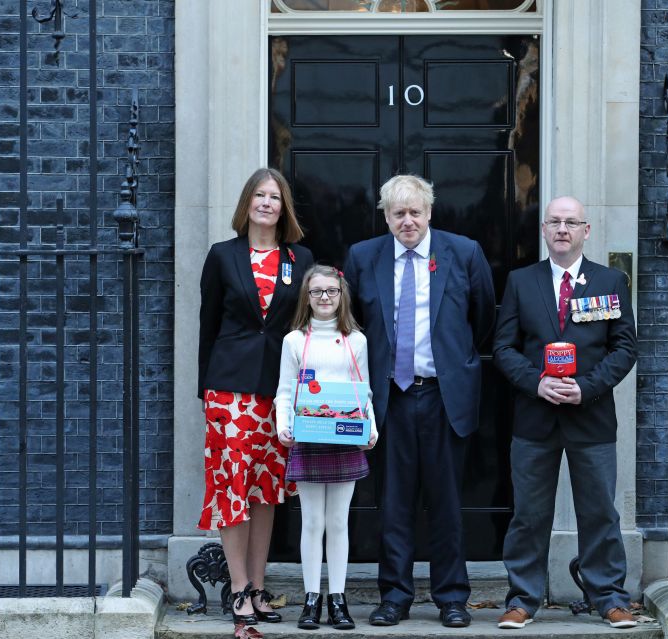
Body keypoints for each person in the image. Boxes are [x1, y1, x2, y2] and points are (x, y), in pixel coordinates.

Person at [343, 174, 495, 628]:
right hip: (388, 398)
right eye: (398, 213)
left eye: (415, 212)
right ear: (386, 216)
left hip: (444, 396)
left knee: (447, 502)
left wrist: (453, 363)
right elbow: (351, 323)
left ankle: (452, 598)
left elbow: (482, 318)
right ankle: (395, 596)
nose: (407, 221)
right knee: (393, 503)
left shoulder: (463, 252)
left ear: (429, 212)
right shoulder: (363, 257)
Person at [492, 196, 638, 630]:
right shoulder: (522, 281)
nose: (562, 229)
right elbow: (503, 347)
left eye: (571, 222)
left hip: (590, 418)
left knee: (600, 513)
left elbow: (625, 347)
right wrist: (537, 381)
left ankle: (609, 597)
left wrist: (586, 387)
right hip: (534, 419)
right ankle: (522, 598)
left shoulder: (611, 280)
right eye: (554, 222)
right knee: (529, 514)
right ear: (543, 229)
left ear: (585, 230)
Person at [197, 168, 314, 636]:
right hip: (229, 390)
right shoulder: (223, 256)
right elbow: (207, 325)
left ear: (284, 208)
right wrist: (203, 390)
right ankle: (239, 587)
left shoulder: (299, 257)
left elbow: (307, 323)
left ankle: (259, 586)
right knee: (233, 488)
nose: (267, 203)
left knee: (266, 490)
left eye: (275, 197)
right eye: (260, 195)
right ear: (247, 203)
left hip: (278, 391)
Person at [274, 265, 379, 631]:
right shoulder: (293, 341)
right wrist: (282, 426)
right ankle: (311, 599)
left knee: (337, 522)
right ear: (307, 295)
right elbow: (285, 390)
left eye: (331, 292)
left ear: (341, 295)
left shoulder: (356, 341)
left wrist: (372, 427)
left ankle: (338, 599)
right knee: (312, 521)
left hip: (346, 437)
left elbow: (362, 389)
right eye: (317, 291)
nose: (324, 298)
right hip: (307, 436)